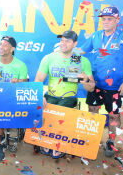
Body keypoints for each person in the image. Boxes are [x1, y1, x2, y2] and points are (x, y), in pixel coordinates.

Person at [79, 6, 123, 157]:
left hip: (116, 86)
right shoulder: (95, 36)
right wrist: (67, 57)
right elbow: (79, 52)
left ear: (117, 20)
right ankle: (93, 138)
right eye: (103, 19)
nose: (106, 22)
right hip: (96, 84)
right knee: (93, 111)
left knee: (114, 116)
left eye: (110, 19)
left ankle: (110, 142)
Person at [35, 30, 95, 159]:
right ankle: (47, 141)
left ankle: (57, 143)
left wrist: (86, 80)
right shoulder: (50, 58)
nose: (63, 43)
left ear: (75, 44)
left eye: (67, 41)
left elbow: (91, 88)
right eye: (62, 40)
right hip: (51, 95)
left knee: (60, 110)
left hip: (69, 97)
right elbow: (38, 81)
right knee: (46, 108)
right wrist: (40, 96)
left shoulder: (81, 61)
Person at [0, 36, 28, 162]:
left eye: (5, 44)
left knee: (0, 108)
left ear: (12, 48)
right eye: (0, 44)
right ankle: (0, 139)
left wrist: (18, 81)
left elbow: (25, 85)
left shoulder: (20, 65)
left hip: (13, 99)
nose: (1, 46)